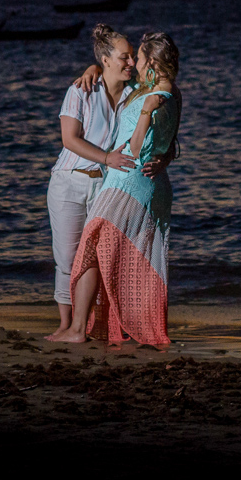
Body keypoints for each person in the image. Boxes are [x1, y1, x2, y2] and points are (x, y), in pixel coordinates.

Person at [51, 32, 181, 345]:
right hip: (96, 180)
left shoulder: (149, 94)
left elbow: (151, 143)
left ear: (150, 63)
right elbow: (70, 138)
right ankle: (77, 326)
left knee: (98, 252)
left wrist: (161, 149)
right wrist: (92, 70)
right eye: (126, 56)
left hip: (123, 182)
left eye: (136, 57)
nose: (132, 62)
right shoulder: (117, 88)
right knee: (84, 254)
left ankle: (85, 328)